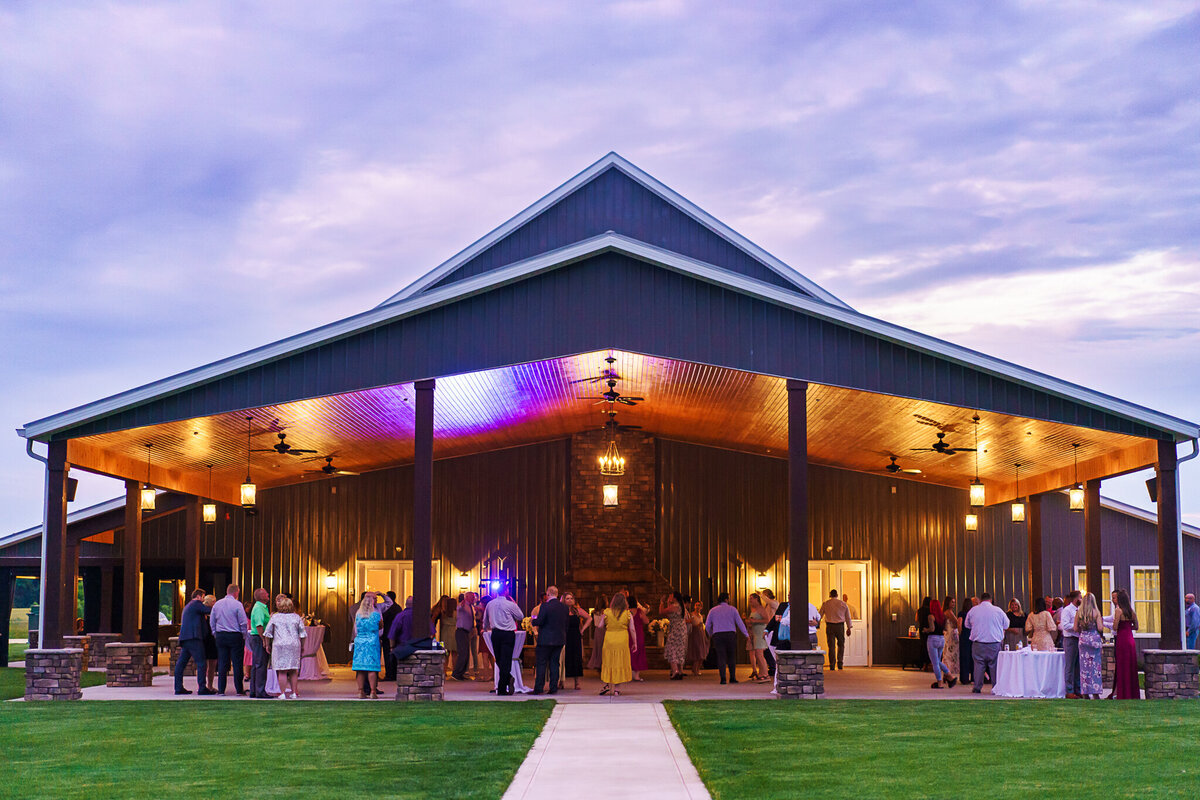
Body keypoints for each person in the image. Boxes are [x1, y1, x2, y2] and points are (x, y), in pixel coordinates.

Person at [263, 594, 306, 700]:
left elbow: (268, 633)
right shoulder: (297, 617)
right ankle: (294, 693)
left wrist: (267, 644)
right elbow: (303, 634)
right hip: (294, 645)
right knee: (293, 670)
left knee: (282, 670)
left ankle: (282, 693)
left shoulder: (275, 617)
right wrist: (302, 646)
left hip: (279, 645)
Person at [210, 583, 250, 696]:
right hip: (235, 635)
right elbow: (243, 622)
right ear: (236, 592)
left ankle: (221, 690)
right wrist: (243, 635)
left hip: (221, 635)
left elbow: (212, 621)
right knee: (237, 664)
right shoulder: (237, 604)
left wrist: (215, 633)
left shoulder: (217, 604)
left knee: (222, 662)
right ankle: (238, 690)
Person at [964, 592, 1008, 694]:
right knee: (994, 666)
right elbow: (1006, 624)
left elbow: (967, 625)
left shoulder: (973, 610)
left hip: (978, 643)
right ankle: (995, 687)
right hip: (994, 643)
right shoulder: (998, 610)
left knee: (978, 665)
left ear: (981, 600)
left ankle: (977, 687)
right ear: (991, 600)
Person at [483, 591, 524, 696]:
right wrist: (514, 603)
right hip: (508, 634)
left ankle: (503, 686)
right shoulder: (510, 604)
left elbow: (485, 619)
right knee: (506, 659)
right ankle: (507, 680)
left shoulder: (490, 604)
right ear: (506, 593)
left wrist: (484, 628)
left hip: (495, 633)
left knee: (499, 659)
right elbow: (520, 616)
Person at [174, 588, 214, 696]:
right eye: (203, 597)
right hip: (194, 638)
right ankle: (202, 688)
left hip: (186, 638)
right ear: (198, 596)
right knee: (201, 663)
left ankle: (178, 687)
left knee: (181, 664)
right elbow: (209, 610)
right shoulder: (196, 604)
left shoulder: (188, 606)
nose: (203, 600)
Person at [705, 592, 749, 685]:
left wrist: (710, 634)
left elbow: (708, 625)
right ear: (726, 599)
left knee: (721, 656)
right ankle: (732, 677)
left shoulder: (712, 610)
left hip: (718, 635)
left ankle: (723, 678)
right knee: (731, 656)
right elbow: (740, 623)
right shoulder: (733, 609)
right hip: (730, 634)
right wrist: (746, 635)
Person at [532, 585, 569, 695]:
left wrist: (533, 621)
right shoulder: (564, 607)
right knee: (555, 663)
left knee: (542, 663)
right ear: (557, 594)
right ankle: (553, 688)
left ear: (548, 594)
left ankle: (539, 688)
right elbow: (566, 624)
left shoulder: (545, 606)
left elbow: (540, 621)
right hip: (559, 639)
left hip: (545, 640)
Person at [599, 592, 636, 696]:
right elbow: (632, 629)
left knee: (609, 661)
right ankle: (616, 689)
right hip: (622, 640)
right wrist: (635, 643)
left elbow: (600, 626)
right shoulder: (628, 614)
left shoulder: (607, 612)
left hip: (609, 639)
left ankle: (607, 684)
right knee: (620, 662)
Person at [352, 592, 385, 699]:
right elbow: (381, 626)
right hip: (372, 642)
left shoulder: (358, 615)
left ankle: (360, 691)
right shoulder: (375, 615)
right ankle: (372, 691)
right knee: (372, 668)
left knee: (360, 668)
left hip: (360, 642)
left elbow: (356, 629)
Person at [1074, 592, 1105, 699]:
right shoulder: (1096, 612)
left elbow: (1075, 628)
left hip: (1083, 639)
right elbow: (1100, 628)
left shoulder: (1079, 612)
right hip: (1094, 639)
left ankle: (1085, 692)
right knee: (1095, 666)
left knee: (1084, 667)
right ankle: (1095, 692)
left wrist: (1082, 632)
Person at [1111, 588, 1140, 699]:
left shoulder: (1119, 611)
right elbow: (1136, 626)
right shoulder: (1131, 611)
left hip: (1122, 639)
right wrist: (1128, 627)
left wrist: (1120, 627)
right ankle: (1132, 693)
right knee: (1131, 665)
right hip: (1130, 639)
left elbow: (1115, 626)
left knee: (1122, 665)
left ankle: (1123, 693)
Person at [923, 598, 955, 689]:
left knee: (935, 663)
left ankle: (939, 682)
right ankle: (950, 676)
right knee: (937, 660)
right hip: (941, 639)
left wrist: (926, 630)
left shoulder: (931, 616)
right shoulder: (943, 616)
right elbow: (944, 629)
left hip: (933, 639)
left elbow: (932, 629)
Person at [247, 588, 272, 699]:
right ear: (261, 596)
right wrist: (264, 640)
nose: (268, 595)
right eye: (266, 593)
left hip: (257, 637)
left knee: (257, 665)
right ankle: (260, 691)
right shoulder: (259, 608)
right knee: (261, 665)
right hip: (258, 638)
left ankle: (254, 690)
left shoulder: (261, 607)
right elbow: (259, 625)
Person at [562, 591, 590, 690]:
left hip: (575, 636)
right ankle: (561, 681)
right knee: (563, 658)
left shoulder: (577, 611)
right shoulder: (561, 610)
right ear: (564, 600)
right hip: (564, 636)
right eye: (567, 598)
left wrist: (582, 630)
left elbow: (589, 618)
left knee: (576, 658)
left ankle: (577, 682)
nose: (570, 600)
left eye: (571, 598)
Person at [818, 589, 852, 670]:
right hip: (840, 626)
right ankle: (840, 663)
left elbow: (820, 615)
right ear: (837, 595)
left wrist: (817, 624)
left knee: (831, 646)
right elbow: (848, 617)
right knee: (841, 645)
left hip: (830, 626)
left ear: (830, 595)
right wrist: (849, 627)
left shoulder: (826, 604)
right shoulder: (842, 604)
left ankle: (832, 664)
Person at [1059, 590, 1083, 698]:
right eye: (1080, 597)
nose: (1081, 599)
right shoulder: (1067, 610)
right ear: (1076, 599)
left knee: (1078, 665)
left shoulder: (1080, 610)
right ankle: (1069, 690)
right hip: (1070, 639)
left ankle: (1078, 689)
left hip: (1079, 639)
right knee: (1070, 666)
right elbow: (1065, 625)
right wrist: (1076, 627)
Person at [659, 592, 687, 680]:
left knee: (671, 649)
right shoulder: (679, 606)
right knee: (678, 649)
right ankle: (679, 670)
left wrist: (662, 602)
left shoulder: (675, 606)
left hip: (676, 630)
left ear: (674, 598)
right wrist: (668, 603)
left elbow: (661, 612)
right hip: (681, 629)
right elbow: (669, 615)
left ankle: (675, 671)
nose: (669, 597)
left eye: (671, 596)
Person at [450, 592, 477, 681]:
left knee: (466, 653)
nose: (474, 599)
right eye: (472, 597)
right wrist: (462, 603)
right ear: (467, 597)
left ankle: (461, 673)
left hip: (466, 632)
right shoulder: (462, 605)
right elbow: (458, 608)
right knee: (463, 653)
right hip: (461, 631)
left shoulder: (471, 606)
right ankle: (456, 673)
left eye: (474, 597)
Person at [745, 593, 771, 682]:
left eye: (751, 599)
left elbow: (767, 620)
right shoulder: (754, 609)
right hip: (755, 634)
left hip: (760, 634)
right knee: (757, 654)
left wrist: (755, 621)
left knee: (760, 654)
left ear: (757, 599)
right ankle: (761, 673)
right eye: (749, 599)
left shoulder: (761, 609)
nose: (750, 601)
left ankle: (765, 674)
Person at [381, 591, 402, 682]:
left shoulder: (387, 609)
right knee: (395, 654)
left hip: (387, 634)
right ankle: (395, 673)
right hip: (397, 634)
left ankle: (389, 674)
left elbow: (382, 619)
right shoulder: (398, 608)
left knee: (387, 654)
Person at [627, 594, 649, 681]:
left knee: (628, 653)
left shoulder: (626, 611)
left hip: (628, 634)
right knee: (639, 653)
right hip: (638, 634)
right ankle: (636, 675)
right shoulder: (640, 611)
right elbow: (646, 621)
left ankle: (628, 674)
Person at [760, 588, 780, 677]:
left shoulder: (774, 603)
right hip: (768, 628)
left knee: (771, 648)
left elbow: (768, 601)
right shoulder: (767, 605)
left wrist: (761, 594)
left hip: (774, 628)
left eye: (765, 595)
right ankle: (771, 667)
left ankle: (773, 667)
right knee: (767, 649)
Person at [201, 594, 218, 693]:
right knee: (210, 664)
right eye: (214, 601)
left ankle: (208, 685)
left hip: (207, 640)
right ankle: (208, 685)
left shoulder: (207, 613)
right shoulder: (206, 613)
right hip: (209, 640)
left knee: (209, 664)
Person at [686, 600, 709, 676]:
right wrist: (696, 625)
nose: (697, 607)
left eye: (699, 605)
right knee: (697, 651)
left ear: (701, 607)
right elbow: (689, 623)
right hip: (695, 634)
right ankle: (695, 669)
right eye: (696, 605)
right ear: (694, 606)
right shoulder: (692, 614)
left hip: (701, 634)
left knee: (702, 652)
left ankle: (697, 669)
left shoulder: (701, 616)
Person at [436, 595, 457, 673]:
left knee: (445, 654)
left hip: (444, 634)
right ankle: (454, 671)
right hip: (454, 633)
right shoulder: (456, 613)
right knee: (455, 654)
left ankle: (444, 671)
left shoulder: (443, 613)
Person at [586, 596, 607, 673]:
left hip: (597, 631)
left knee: (598, 648)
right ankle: (602, 665)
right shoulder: (606, 611)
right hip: (604, 630)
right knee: (604, 648)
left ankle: (598, 665)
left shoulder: (593, 612)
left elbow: (592, 624)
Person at [958, 597, 976, 686]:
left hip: (964, 636)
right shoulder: (972, 613)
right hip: (972, 636)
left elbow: (960, 624)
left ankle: (964, 678)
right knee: (972, 658)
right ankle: (973, 678)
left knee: (964, 657)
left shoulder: (961, 613)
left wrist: (960, 633)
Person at [942, 596, 960, 681]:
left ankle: (947, 674)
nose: (954, 604)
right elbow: (956, 623)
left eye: (954, 602)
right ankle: (948, 674)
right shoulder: (948, 612)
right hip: (951, 636)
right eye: (952, 602)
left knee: (948, 655)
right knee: (949, 655)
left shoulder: (947, 612)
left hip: (949, 635)